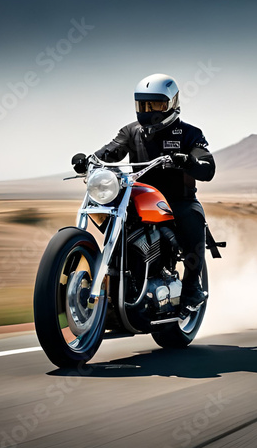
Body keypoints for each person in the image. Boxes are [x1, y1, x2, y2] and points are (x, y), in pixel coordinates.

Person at [92, 73, 216, 311]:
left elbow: (207, 167)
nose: (149, 111)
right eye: (144, 104)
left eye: (156, 104)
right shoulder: (131, 132)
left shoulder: (190, 134)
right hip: (138, 197)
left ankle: (192, 286)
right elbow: (110, 152)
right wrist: (90, 160)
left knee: (193, 218)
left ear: (172, 103)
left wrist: (188, 161)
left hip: (177, 200)